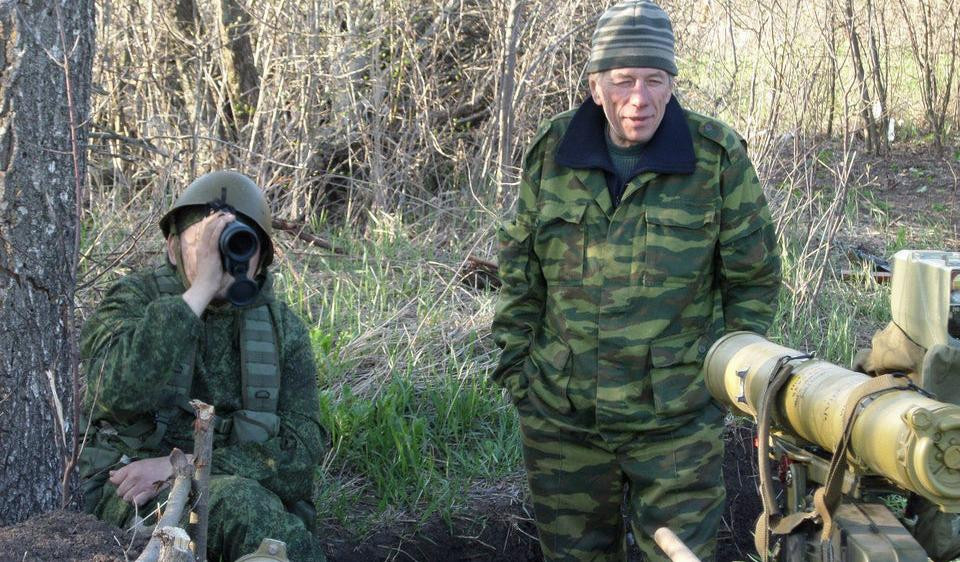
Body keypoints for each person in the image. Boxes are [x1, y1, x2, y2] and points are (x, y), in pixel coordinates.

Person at [490, 1, 782, 560]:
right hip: (563, 420)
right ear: (595, 86)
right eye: (623, 80)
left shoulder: (715, 157)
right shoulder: (553, 151)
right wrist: (519, 375)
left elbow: (754, 280)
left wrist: (726, 386)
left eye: (655, 80)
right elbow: (520, 272)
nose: (639, 99)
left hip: (677, 425)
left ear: (672, 84)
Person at [78, 171, 327, 561]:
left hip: (239, 494)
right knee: (243, 508)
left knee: (256, 516)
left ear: (260, 260)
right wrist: (198, 294)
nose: (220, 258)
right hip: (133, 491)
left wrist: (182, 467)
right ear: (173, 248)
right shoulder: (134, 300)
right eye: (204, 243)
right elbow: (112, 392)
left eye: (237, 244)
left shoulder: (282, 329)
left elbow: (301, 454)